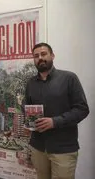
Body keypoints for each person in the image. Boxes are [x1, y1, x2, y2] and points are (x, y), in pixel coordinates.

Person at [25, 42, 89, 179]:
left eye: (43, 54)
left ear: (52, 56)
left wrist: (55, 122)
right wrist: (28, 122)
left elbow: (82, 109)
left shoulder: (69, 78)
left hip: (63, 149)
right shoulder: (30, 83)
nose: (40, 58)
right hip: (38, 147)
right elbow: (26, 108)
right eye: (36, 56)